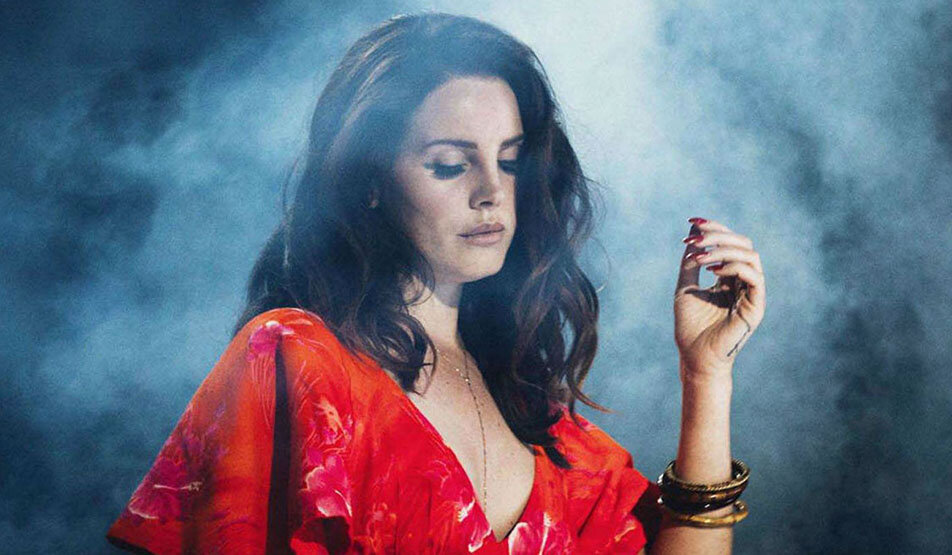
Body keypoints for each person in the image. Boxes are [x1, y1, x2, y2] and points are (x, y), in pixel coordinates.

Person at [106, 11, 766, 555]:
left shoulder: (554, 435)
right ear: (368, 180)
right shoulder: (298, 361)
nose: (491, 193)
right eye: (450, 165)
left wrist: (705, 376)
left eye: (510, 162)